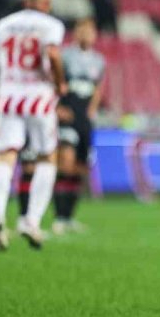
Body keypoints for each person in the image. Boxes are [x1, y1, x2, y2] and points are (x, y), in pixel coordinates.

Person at [0, 0, 67, 250]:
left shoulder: (5, 24)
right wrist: (60, 82)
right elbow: (53, 54)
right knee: (47, 157)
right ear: (46, 2)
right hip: (38, 97)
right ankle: (31, 221)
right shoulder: (51, 25)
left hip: (9, 97)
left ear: (26, 1)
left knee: (5, 157)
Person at [52, 18, 105, 235]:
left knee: (80, 168)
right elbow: (53, 81)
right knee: (65, 163)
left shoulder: (98, 61)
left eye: (90, 31)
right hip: (68, 115)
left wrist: (92, 109)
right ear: (75, 33)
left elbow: (98, 87)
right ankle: (59, 217)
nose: (86, 35)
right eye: (82, 30)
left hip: (85, 119)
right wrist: (56, 106)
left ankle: (69, 217)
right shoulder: (65, 56)